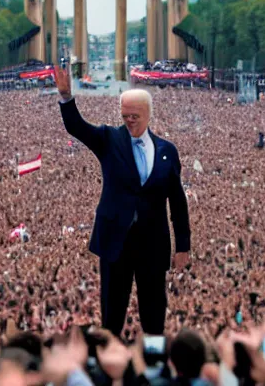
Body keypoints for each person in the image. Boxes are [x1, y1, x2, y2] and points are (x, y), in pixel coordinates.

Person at [54, 66, 191, 337]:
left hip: (152, 245)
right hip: (116, 242)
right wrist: (67, 97)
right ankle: (110, 366)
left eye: (135, 116)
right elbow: (77, 127)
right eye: (125, 115)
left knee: (153, 314)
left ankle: (153, 364)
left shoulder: (167, 152)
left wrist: (183, 246)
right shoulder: (109, 139)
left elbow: (177, 202)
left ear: (148, 114)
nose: (129, 121)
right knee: (112, 314)